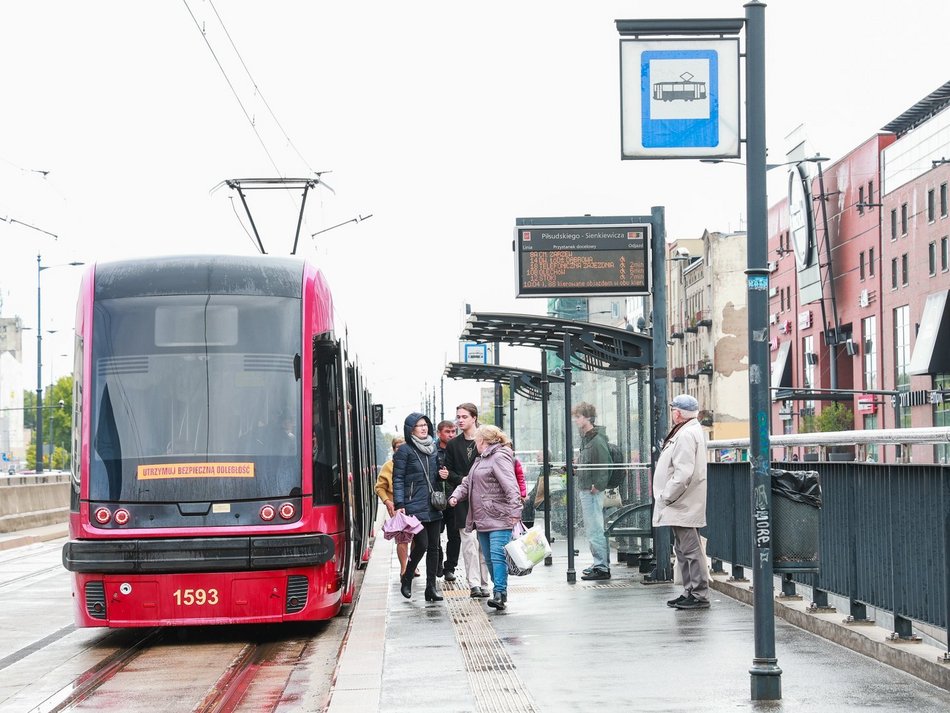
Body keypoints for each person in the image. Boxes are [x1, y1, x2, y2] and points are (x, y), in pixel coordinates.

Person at [449, 424, 522, 611]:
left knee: (497, 556)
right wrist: (456, 496)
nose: (475, 444)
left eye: (476, 441)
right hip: (482, 517)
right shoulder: (481, 459)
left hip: (499, 516)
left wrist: (515, 512)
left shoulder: (500, 456)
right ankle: (499, 589)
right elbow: (467, 483)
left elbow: (511, 486)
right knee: (489, 557)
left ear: (482, 441)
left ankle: (499, 594)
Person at [653, 394, 709, 610]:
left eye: (673, 409)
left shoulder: (686, 434)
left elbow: (682, 473)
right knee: (683, 548)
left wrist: (667, 495)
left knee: (690, 549)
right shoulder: (689, 430)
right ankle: (690, 591)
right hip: (682, 500)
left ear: (678, 413)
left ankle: (698, 593)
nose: (672, 413)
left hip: (681, 501)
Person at [393, 412, 444, 602]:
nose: (423, 428)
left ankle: (431, 588)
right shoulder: (405, 451)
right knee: (421, 544)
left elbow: (435, 476)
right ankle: (407, 577)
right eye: (419, 425)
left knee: (434, 547)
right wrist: (400, 503)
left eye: (425, 425)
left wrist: (442, 475)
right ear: (411, 429)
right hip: (414, 504)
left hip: (433, 504)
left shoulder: (433, 449)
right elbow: (397, 478)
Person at [444, 403, 492, 599]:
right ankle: (473, 584)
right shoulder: (453, 444)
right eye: (458, 417)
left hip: (484, 499)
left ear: (474, 418)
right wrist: (460, 480)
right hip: (463, 499)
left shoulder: (486, 440)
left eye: (464, 416)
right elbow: (448, 472)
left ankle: (484, 582)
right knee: (469, 542)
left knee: (483, 543)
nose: (460, 420)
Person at [571, 401, 612, 580]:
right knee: (593, 526)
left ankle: (601, 566)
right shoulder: (588, 438)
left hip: (591, 489)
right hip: (587, 486)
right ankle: (599, 562)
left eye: (578, 417)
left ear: (588, 417)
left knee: (594, 527)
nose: (576, 420)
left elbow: (605, 463)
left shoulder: (595, 439)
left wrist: (598, 484)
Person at [374, 436, 412, 577]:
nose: (401, 450)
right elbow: (379, 487)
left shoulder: (414, 463)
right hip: (396, 508)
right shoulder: (388, 466)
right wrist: (387, 501)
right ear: (394, 449)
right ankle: (404, 569)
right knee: (402, 538)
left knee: (415, 538)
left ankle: (412, 566)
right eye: (398, 447)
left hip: (414, 505)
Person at [435, 420, 460, 582]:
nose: (451, 435)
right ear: (439, 433)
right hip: (435, 500)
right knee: (434, 535)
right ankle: (438, 563)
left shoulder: (457, 449)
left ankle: (449, 567)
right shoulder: (432, 451)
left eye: (453, 431)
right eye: (447, 432)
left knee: (454, 535)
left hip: (454, 499)